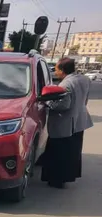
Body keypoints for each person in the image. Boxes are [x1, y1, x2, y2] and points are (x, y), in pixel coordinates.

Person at [40, 57, 93, 188]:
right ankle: (67, 176)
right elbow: (85, 99)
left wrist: (46, 102)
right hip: (79, 121)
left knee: (60, 153)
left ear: (63, 70)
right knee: (73, 152)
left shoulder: (66, 84)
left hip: (65, 124)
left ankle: (57, 180)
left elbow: (64, 105)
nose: (55, 72)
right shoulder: (84, 79)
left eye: (57, 69)